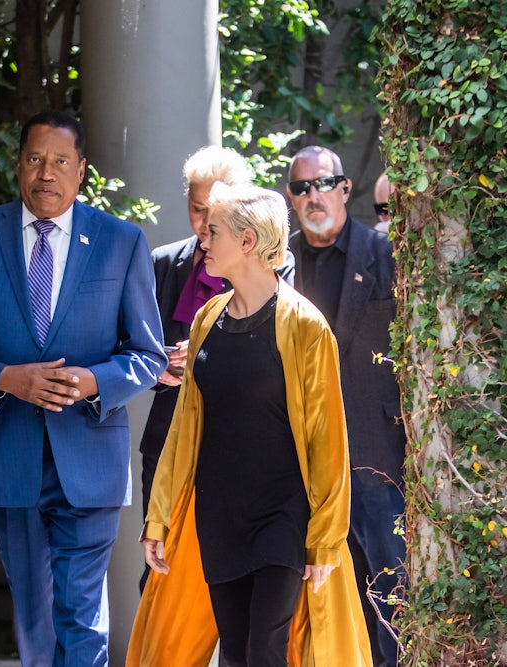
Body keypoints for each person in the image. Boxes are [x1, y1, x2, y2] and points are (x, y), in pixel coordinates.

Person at [0, 110, 166, 667]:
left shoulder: (120, 242)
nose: (46, 174)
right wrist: (6, 379)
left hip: (91, 456)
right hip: (12, 458)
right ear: (17, 165)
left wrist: (93, 382)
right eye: (34, 159)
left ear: (81, 171)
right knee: (33, 616)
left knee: (80, 615)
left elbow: (148, 355)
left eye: (59, 162)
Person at [128, 183, 372, 667]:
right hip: (219, 514)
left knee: (266, 649)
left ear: (246, 242)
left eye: (212, 231)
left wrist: (324, 537)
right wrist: (159, 517)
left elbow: (328, 438)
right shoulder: (205, 319)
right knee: (236, 653)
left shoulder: (304, 324)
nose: (201, 240)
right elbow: (183, 429)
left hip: (283, 514)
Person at [138, 146, 294, 592]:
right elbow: (136, 346)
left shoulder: (276, 263)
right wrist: (161, 365)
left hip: (246, 446)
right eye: (195, 208)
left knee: (239, 584)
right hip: (170, 436)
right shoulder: (165, 262)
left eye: (214, 212)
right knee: (162, 579)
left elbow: (280, 352)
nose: (203, 224)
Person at [285, 146, 407, 667]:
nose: (314, 195)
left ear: (344, 189)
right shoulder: (277, 265)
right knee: (321, 599)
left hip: (375, 456)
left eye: (323, 183)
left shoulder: (385, 256)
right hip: (300, 460)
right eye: (301, 187)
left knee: (390, 590)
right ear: (290, 199)